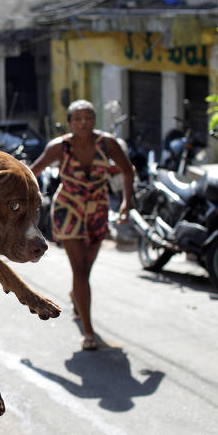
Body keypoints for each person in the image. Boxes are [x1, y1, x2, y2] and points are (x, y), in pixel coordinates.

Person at [30, 99, 135, 351]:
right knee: (80, 270)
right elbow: (32, 172)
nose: (83, 122)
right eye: (77, 119)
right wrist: (23, 208)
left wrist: (126, 204)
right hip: (68, 209)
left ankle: (76, 295)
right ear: (69, 123)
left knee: (86, 268)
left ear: (95, 120)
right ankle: (88, 331)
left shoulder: (108, 143)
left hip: (98, 210)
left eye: (88, 117)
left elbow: (128, 171)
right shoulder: (59, 147)